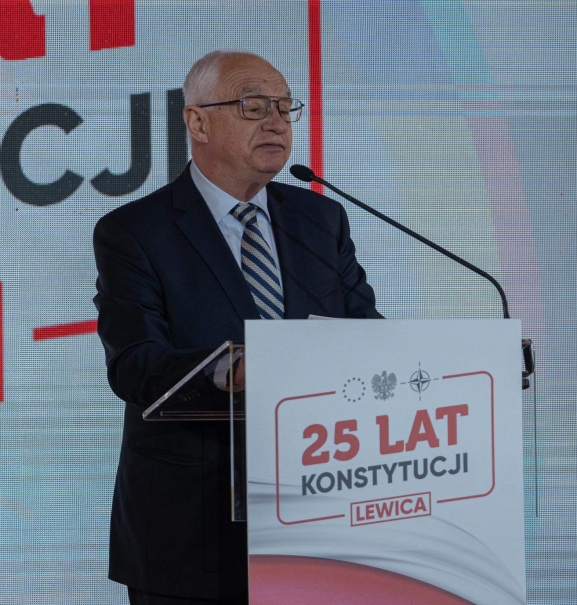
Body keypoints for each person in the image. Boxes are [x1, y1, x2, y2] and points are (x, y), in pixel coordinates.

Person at [93, 50, 381, 605]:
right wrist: (236, 369)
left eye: (284, 107)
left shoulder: (320, 218)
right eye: (253, 106)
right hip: (192, 532)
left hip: (319, 519)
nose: (276, 122)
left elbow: (365, 331)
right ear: (197, 122)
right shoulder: (134, 231)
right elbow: (135, 365)